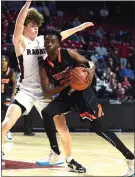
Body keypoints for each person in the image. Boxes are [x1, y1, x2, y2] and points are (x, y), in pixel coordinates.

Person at [2, 0, 94, 165]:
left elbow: (61, 35)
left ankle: (66, 157)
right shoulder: (21, 41)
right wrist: (28, 2)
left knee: (62, 127)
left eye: (37, 24)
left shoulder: (44, 41)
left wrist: (79, 28)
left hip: (45, 91)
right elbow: (18, 23)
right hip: (26, 90)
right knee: (7, 122)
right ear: (25, 27)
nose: (35, 27)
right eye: (31, 24)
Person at [36, 28, 134, 176]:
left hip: (84, 94)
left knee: (99, 129)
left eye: (53, 41)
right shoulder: (44, 65)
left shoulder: (69, 53)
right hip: (66, 95)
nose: (49, 43)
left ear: (58, 44)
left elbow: (90, 64)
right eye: (46, 41)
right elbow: (47, 91)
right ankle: (55, 151)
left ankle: (130, 158)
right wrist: (65, 84)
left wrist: (88, 74)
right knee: (47, 112)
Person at [1, 55, 17, 141]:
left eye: (4, 61)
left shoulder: (11, 72)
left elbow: (15, 83)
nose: (3, 62)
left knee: (8, 115)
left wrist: (13, 94)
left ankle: (7, 131)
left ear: (7, 62)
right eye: (1, 60)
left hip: (6, 95)